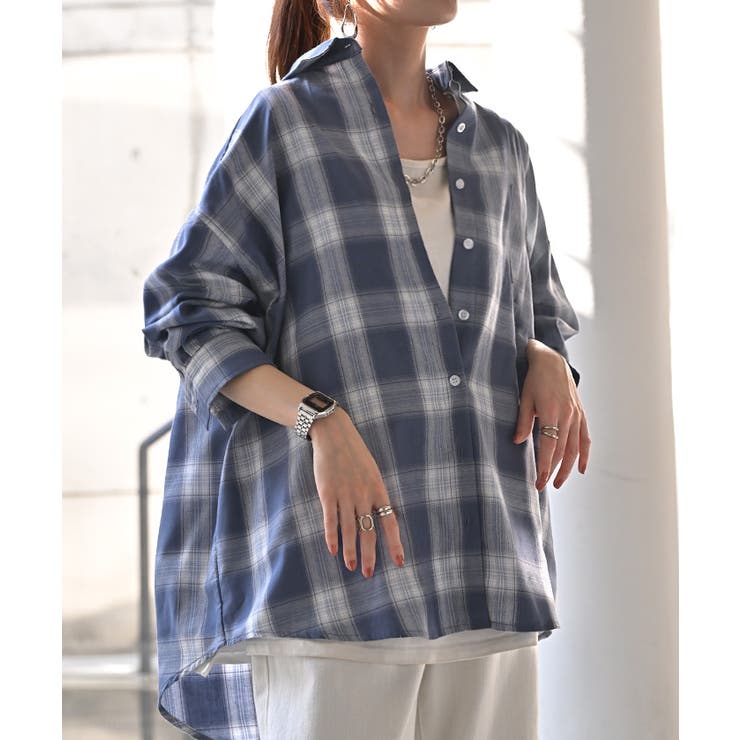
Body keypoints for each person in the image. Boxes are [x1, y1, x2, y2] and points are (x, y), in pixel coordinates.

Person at [141, 1, 591, 737]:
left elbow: (536, 311)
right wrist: (320, 420)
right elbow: (189, 310)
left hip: (486, 570)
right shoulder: (287, 125)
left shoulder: (500, 148)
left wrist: (547, 358)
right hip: (337, 581)